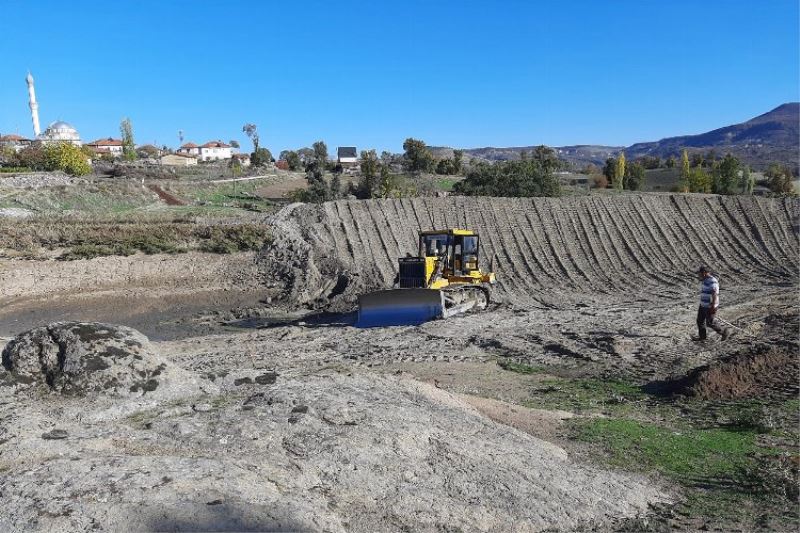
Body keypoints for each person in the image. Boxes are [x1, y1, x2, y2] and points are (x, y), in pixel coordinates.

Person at [693, 265, 729, 342]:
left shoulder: (712, 281)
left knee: (710, 323)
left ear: (704, 273)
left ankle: (723, 332)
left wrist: (713, 306)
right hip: (703, 305)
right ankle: (702, 338)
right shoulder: (705, 280)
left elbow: (715, 294)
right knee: (700, 321)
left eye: (699, 273)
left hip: (709, 306)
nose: (698, 275)